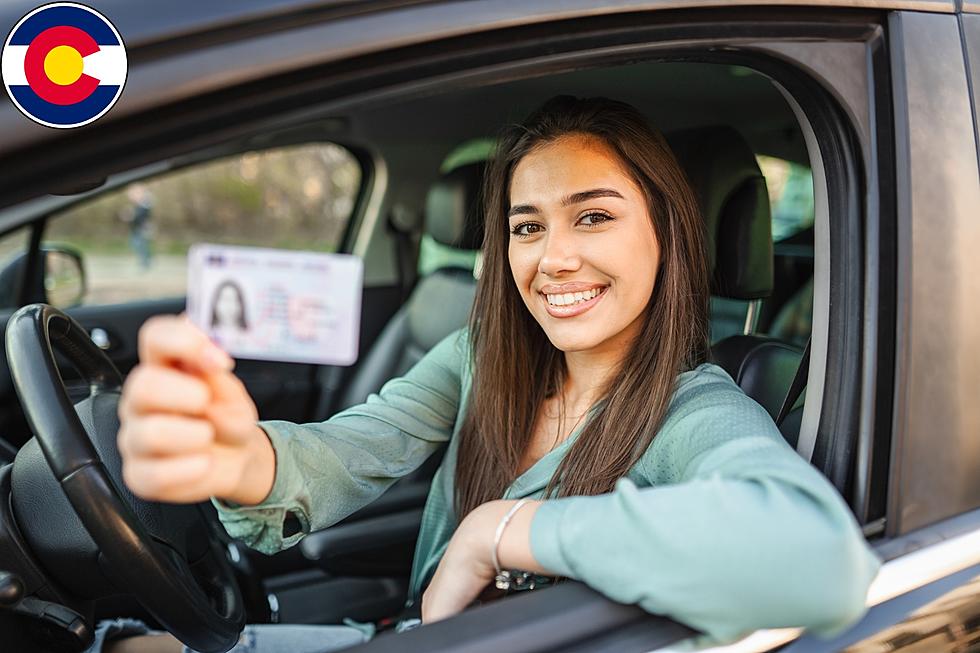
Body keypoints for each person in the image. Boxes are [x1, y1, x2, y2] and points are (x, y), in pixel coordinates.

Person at [92, 95, 881, 653]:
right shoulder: (480, 356)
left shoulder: (694, 408)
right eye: (527, 226)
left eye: (595, 216)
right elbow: (355, 446)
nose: (554, 256)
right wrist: (246, 463)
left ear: (668, 236)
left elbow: (818, 559)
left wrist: (499, 531)